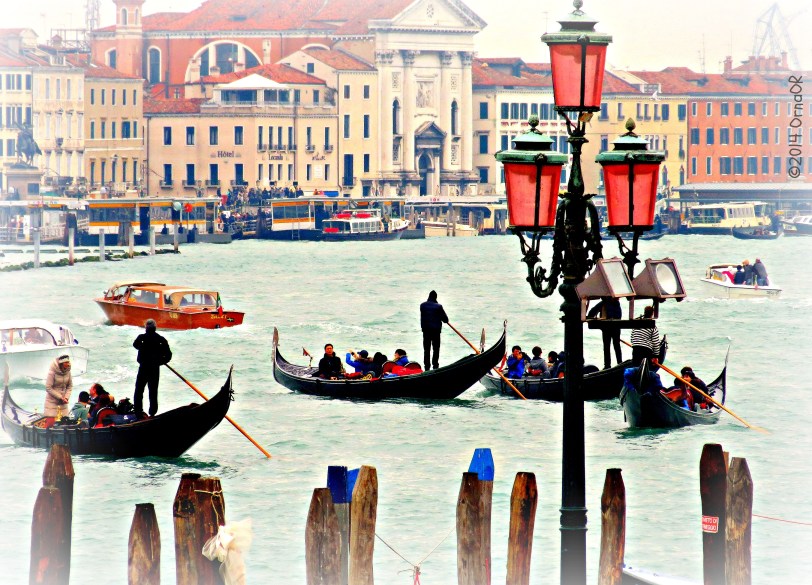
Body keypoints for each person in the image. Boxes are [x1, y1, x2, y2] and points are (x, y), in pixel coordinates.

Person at [132, 319, 172, 416]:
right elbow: (168, 355)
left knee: (139, 390)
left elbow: (135, 345)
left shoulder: (141, 338)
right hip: (154, 369)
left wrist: (142, 348)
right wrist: (160, 361)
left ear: (146, 327)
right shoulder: (161, 340)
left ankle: (138, 412)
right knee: (153, 391)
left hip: (143, 368)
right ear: (155, 328)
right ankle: (152, 412)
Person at [587, 297, 623, 370]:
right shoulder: (617, 303)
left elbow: (591, 313)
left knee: (607, 347)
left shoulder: (604, 303)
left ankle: (607, 365)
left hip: (606, 328)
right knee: (617, 346)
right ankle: (620, 363)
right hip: (616, 327)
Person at [420, 290, 449, 371]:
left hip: (426, 331)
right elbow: (445, 320)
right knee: (436, 349)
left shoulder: (422, 305)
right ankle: (435, 366)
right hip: (436, 331)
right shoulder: (438, 307)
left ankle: (427, 367)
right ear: (436, 297)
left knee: (426, 349)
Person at [43, 355, 73, 428]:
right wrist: (60, 397)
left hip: (63, 402)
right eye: (66, 362)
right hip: (52, 402)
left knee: (64, 424)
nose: (69, 364)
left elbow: (70, 386)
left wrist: (66, 397)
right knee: (50, 424)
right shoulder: (52, 372)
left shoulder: (68, 372)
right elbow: (48, 388)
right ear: (62, 363)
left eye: (68, 362)